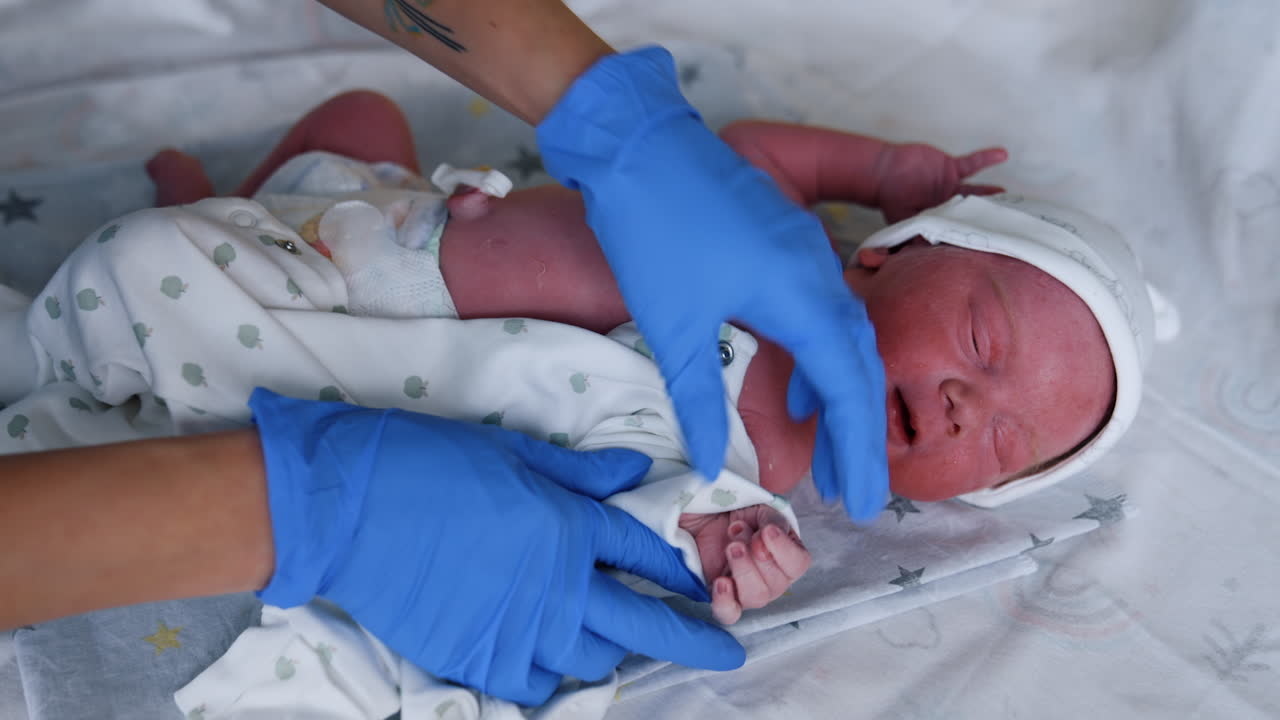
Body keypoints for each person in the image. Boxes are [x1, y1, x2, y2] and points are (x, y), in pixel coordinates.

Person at [0, 0, 893, 707]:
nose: (979, 408)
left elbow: (661, 497)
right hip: (362, 235)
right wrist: (889, 173)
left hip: (358, 316)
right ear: (900, 253)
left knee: (204, 263)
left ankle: (219, 220)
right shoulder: (792, 234)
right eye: (985, 340)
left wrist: (608, 109)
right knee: (340, 133)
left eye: (1016, 450)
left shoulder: (775, 450)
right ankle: (223, 213)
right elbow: (770, 156)